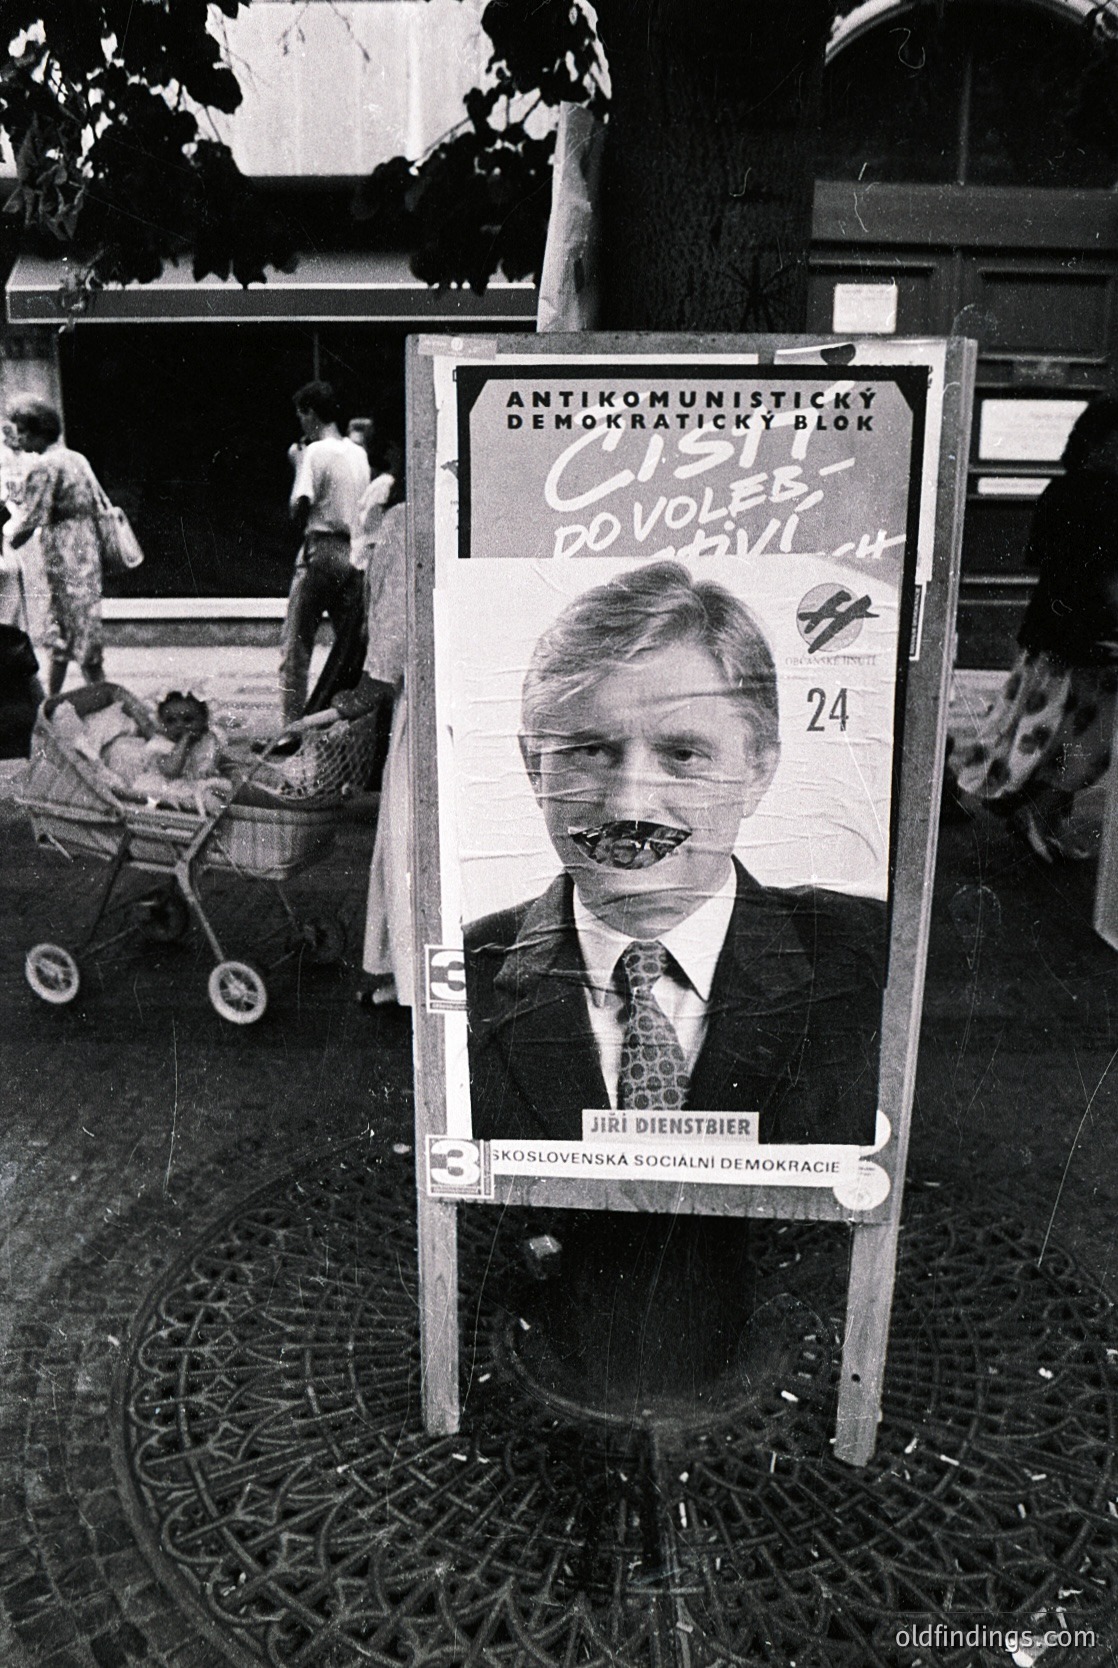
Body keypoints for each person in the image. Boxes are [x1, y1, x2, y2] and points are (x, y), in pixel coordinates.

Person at [465, 561, 886, 1145]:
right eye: (591, 751)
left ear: (758, 772)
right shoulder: (464, 974)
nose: (628, 804)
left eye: (683, 755)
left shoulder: (874, 956)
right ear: (534, 767)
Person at [950, 396, 1118, 862]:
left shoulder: (1061, 490)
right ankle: (1039, 813)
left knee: (1032, 728)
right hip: (1089, 642)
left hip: (1051, 635)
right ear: (1100, 443)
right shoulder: (1105, 496)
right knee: (1083, 739)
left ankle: (1034, 812)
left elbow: (1039, 555)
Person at [333, 499, 413, 1007]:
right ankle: (406, 972)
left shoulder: (407, 516)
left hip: (422, 695)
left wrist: (367, 687)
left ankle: (408, 974)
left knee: (408, 836)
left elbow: (395, 616)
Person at [279, 381, 370, 724]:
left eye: (301, 415)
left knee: (296, 646)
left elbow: (300, 504)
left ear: (310, 414)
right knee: (349, 645)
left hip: (322, 547)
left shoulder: (314, 452)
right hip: (354, 551)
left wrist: (298, 463)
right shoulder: (358, 453)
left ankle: (291, 729)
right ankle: (346, 721)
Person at [6, 397, 106, 696]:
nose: (20, 439)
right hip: (86, 546)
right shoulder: (75, 458)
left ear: (37, 431)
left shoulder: (44, 465)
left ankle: (101, 697)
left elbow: (32, 516)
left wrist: (7, 542)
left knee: (69, 625)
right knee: (76, 624)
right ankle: (54, 698)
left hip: (63, 551)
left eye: (23, 431)